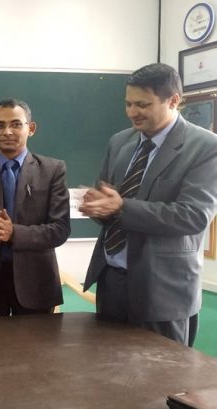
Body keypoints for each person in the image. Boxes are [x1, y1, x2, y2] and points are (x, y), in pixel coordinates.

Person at [80, 63, 217, 346]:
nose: (132, 112)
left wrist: (121, 207)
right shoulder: (120, 142)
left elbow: (193, 216)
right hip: (112, 282)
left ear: (174, 101)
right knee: (106, 366)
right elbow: (109, 202)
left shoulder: (205, 147)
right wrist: (98, 206)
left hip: (163, 292)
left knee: (163, 372)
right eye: (128, 103)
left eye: (143, 104)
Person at [0, 99, 70, 317]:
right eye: (0, 125)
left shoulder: (52, 170)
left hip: (36, 284)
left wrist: (14, 233)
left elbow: (60, 230)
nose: (7, 131)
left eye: (16, 124)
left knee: (36, 341)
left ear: (31, 128)